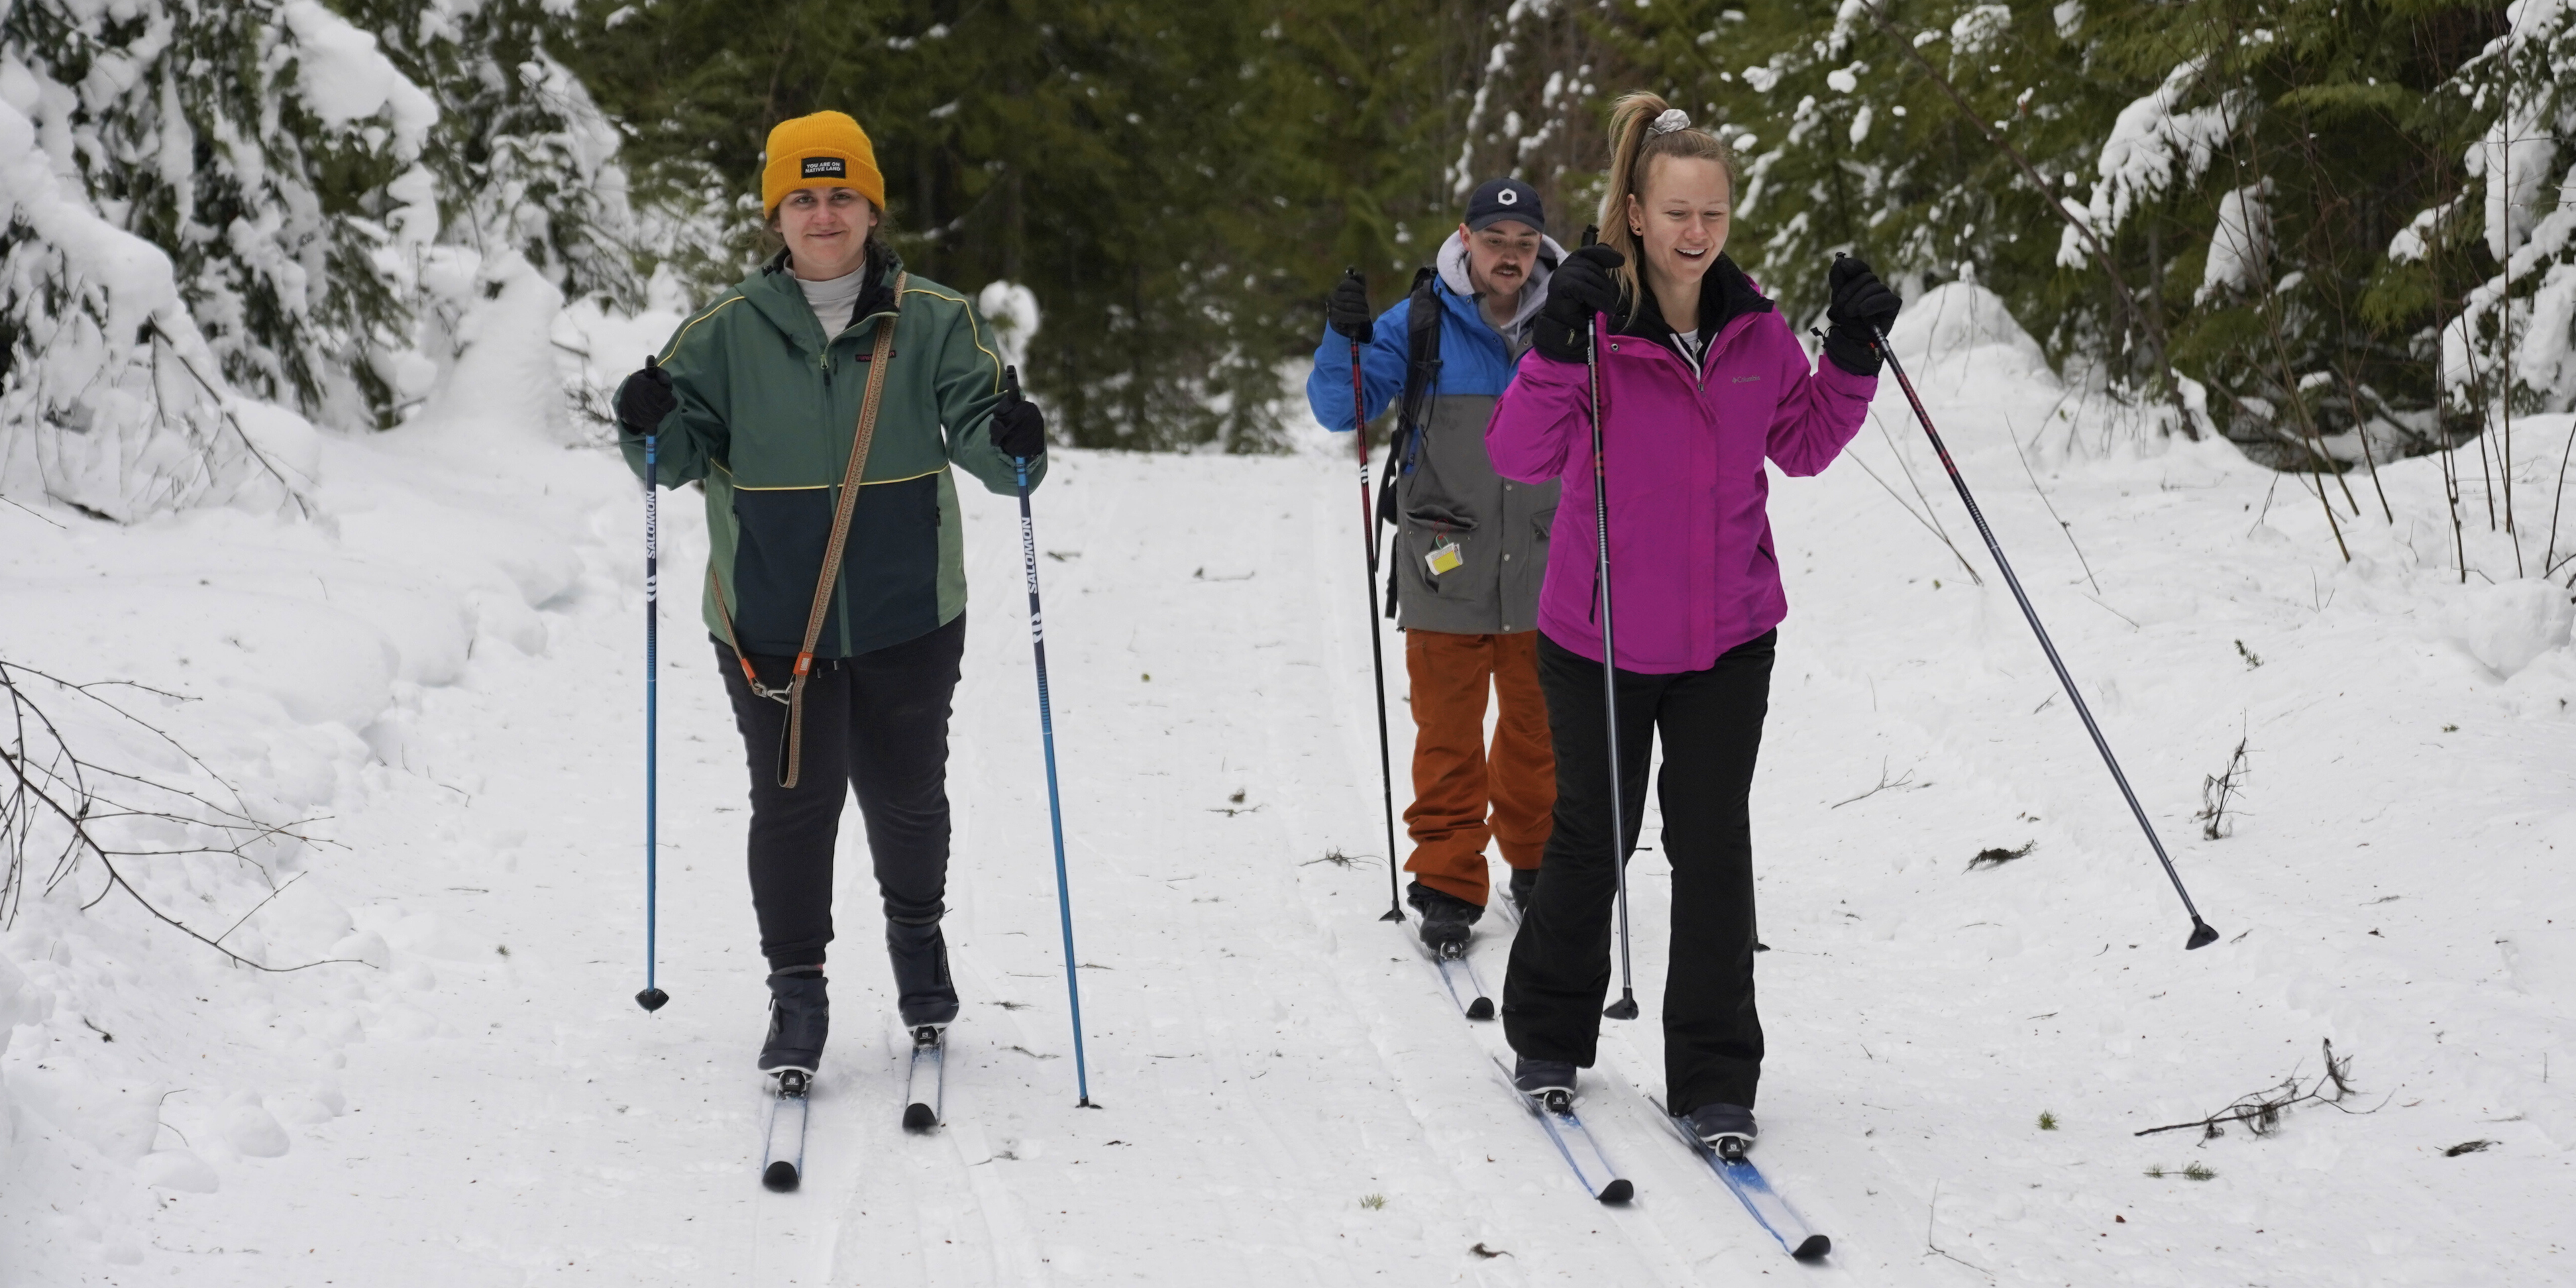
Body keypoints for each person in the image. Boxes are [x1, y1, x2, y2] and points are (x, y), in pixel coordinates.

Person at [1485, 93, 1901, 1152]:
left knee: (1713, 844)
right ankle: (1546, 1035)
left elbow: (1802, 444)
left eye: (1714, 211)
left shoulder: (1755, 329)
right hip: (1601, 636)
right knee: (1594, 838)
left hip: (1728, 636)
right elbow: (1517, 458)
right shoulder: (1588, 328)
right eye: (1676, 211)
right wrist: (1552, 345)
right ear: (1633, 210)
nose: (1696, 231)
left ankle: (1716, 1077)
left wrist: (1852, 353)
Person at [610, 111, 1048, 1079]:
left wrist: (1015, 442)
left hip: (907, 611)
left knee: (905, 796)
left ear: (871, 206)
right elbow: (671, 456)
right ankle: (797, 993)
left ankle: (917, 942)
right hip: (768, 620)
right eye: (802, 197)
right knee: (795, 806)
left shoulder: (933, 319)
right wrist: (642, 422)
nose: (822, 213)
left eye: (840, 194)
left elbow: (986, 439)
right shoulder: (723, 333)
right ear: (776, 213)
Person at [1307, 179, 1567, 951]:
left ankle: (1536, 862)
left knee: (1539, 731)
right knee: (1447, 734)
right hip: (1442, 563)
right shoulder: (1419, 321)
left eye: (1524, 243)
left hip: (1549, 566)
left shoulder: (1571, 317)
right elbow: (1339, 409)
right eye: (1496, 241)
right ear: (1467, 238)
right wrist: (1341, 341)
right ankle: (1449, 882)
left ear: (1539, 248)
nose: (1510, 257)